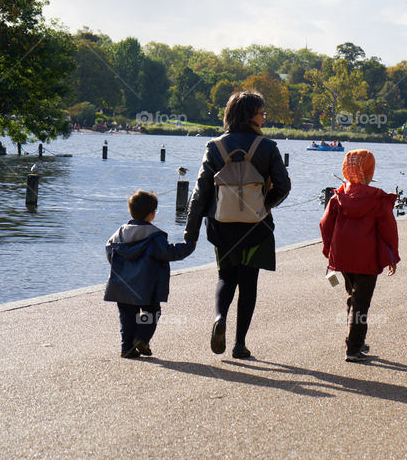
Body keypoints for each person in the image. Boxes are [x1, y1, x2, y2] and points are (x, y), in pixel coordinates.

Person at [185, 91, 291, 359]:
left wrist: (191, 233)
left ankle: (220, 317)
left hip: (222, 226)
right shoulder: (267, 147)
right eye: (261, 112)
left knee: (225, 276)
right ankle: (239, 344)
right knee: (249, 283)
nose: (264, 117)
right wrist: (266, 205)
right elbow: (284, 186)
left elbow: (200, 194)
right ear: (250, 115)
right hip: (257, 227)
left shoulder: (214, 147)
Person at [320, 150, 400, 362]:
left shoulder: (338, 197)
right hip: (367, 257)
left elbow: (325, 225)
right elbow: (388, 229)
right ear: (369, 170)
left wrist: (329, 250)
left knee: (353, 297)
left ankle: (354, 339)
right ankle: (353, 348)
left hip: (343, 256)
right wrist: (392, 255)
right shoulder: (377, 198)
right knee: (361, 302)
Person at [104, 190, 195, 358]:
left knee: (127, 316)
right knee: (152, 312)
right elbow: (169, 253)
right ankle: (142, 338)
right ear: (152, 213)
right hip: (148, 285)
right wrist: (189, 245)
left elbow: (110, 252)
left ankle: (127, 348)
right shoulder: (154, 236)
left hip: (122, 285)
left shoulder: (119, 234)